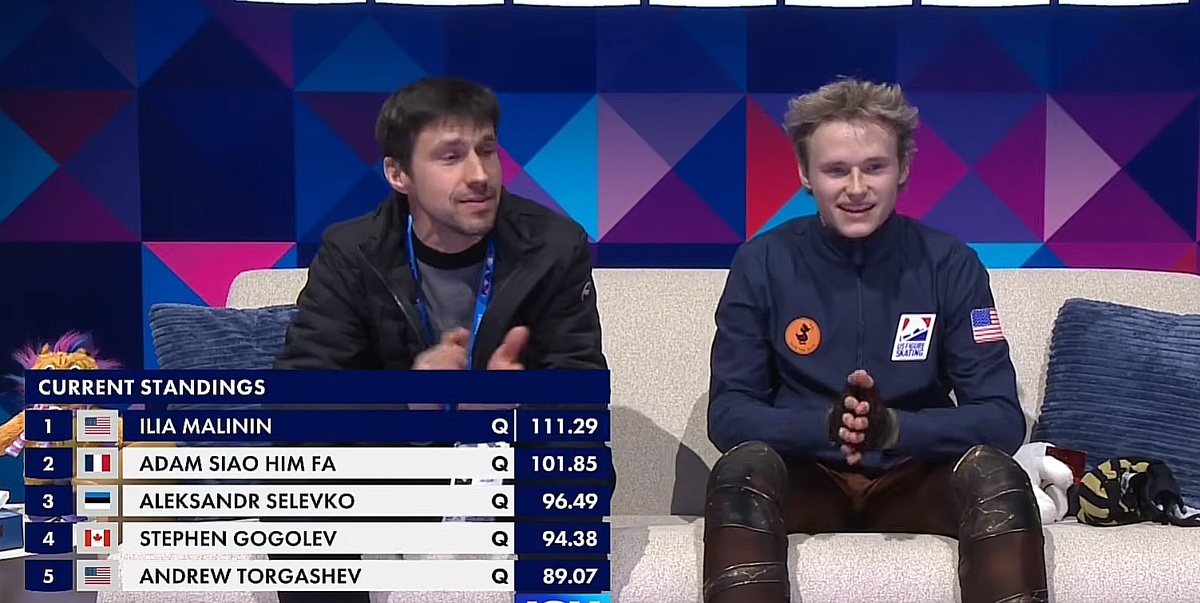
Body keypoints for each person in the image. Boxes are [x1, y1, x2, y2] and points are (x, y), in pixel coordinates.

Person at [702, 77, 1048, 603]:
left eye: (875, 167)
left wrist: (894, 429)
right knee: (740, 472)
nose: (856, 187)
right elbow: (728, 415)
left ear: (903, 169)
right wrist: (825, 426)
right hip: (806, 474)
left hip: (915, 476)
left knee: (998, 477)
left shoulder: (952, 264)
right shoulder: (761, 262)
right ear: (805, 174)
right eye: (836, 170)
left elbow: (1002, 418)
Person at [270, 76, 608, 603]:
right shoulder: (351, 252)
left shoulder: (554, 247)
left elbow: (580, 395)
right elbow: (300, 400)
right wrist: (409, 401)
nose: (480, 175)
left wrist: (513, 408)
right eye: (451, 157)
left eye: (487, 151)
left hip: (509, 464)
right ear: (398, 173)